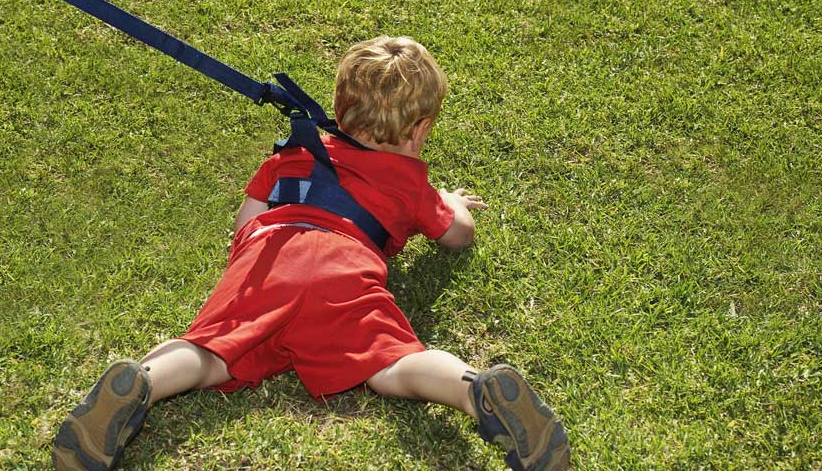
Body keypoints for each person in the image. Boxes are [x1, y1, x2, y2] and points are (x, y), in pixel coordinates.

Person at [52, 36, 570, 471]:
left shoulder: (294, 152)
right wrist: (451, 204)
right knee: (393, 362)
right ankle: (473, 390)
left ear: (339, 109)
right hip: (345, 268)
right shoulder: (409, 180)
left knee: (211, 351)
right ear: (420, 131)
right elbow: (458, 235)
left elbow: (248, 218)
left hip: (268, 255)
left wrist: (253, 264)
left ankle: (140, 383)